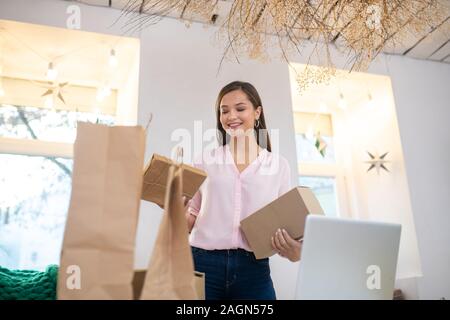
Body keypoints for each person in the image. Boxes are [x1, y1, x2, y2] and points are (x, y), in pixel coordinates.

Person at [184, 81, 302, 300]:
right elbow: (190, 218)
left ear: (257, 112)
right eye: (224, 111)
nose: (231, 117)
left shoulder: (278, 165)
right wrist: (174, 208)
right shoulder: (204, 161)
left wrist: (296, 250)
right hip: (203, 263)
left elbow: (287, 224)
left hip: (254, 269)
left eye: (240, 109)